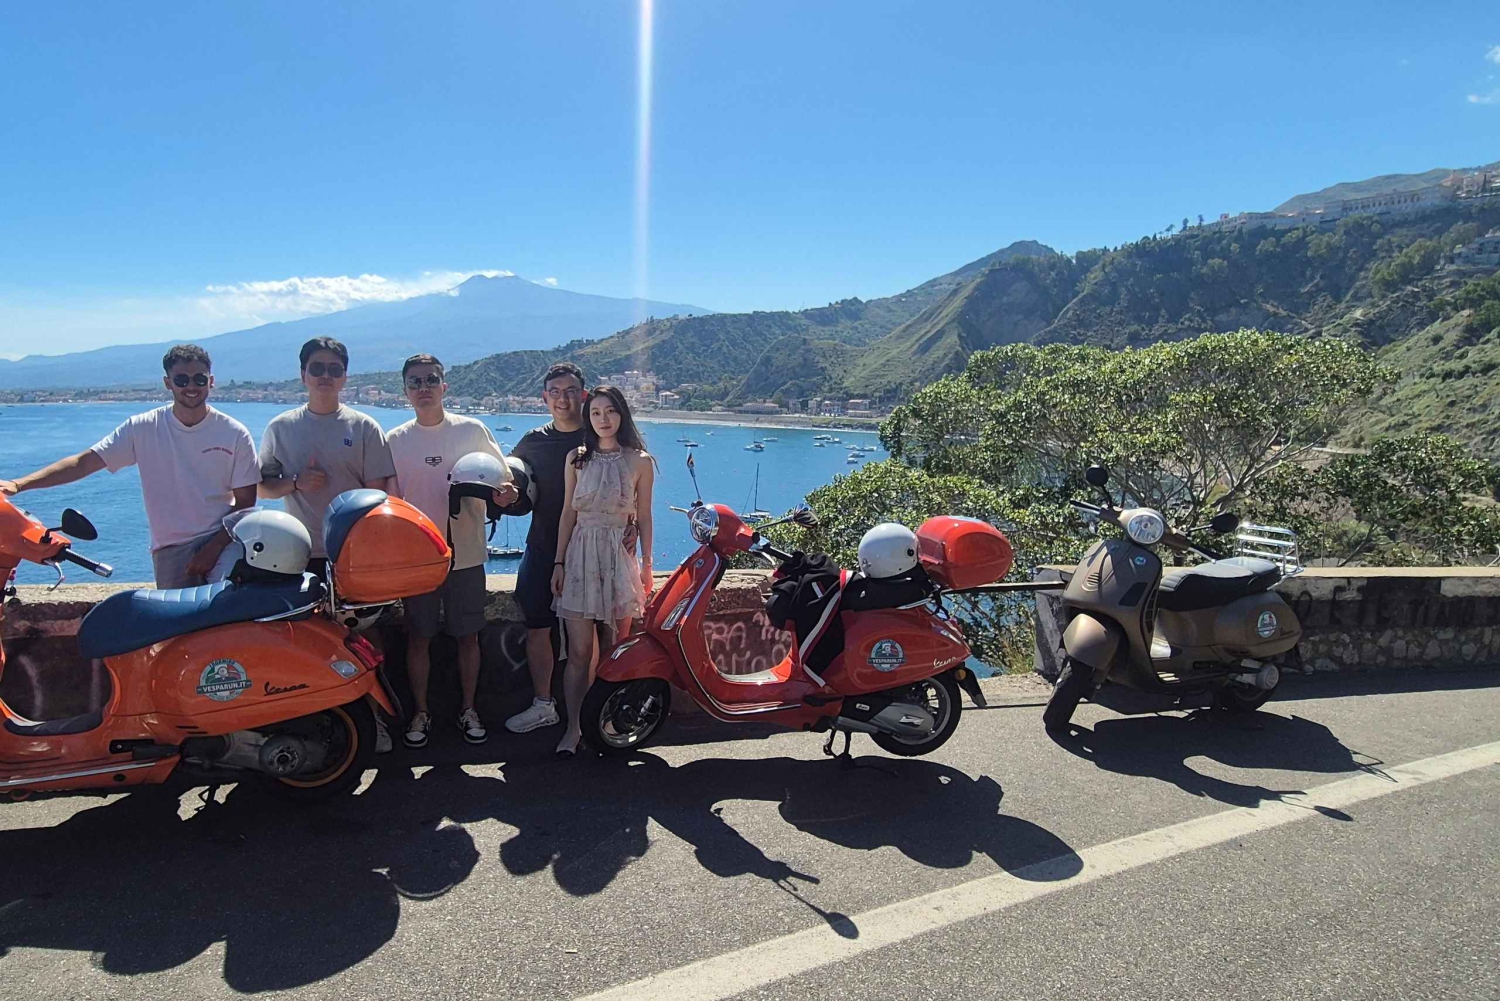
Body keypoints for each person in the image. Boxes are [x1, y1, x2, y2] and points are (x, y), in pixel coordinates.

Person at [0, 344, 258, 590]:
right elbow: (84, 462)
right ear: (168, 383)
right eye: (181, 380)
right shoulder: (143, 427)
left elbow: (246, 502)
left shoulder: (233, 433)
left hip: (222, 540)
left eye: (199, 379)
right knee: (179, 632)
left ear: (211, 382)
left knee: (226, 613)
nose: (191, 387)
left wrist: (213, 549)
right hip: (170, 548)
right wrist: (20, 484)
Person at [386, 354, 518, 748]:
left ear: (445, 386)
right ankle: (421, 713)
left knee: (468, 637)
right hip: (418, 558)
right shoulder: (395, 441)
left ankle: (468, 709)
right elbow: (387, 503)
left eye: (430, 380)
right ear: (406, 390)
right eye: (415, 382)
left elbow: (505, 486)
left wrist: (508, 495)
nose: (423, 388)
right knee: (419, 637)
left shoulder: (473, 430)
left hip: (468, 554)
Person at [551, 385, 655, 757]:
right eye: (596, 413)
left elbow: (643, 518)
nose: (603, 419)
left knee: (614, 651)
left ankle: (607, 725)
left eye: (610, 411)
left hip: (617, 558)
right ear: (588, 418)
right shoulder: (576, 459)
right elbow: (568, 513)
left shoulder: (640, 461)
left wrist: (646, 568)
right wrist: (559, 562)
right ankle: (574, 727)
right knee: (579, 653)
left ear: (622, 414)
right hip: (580, 554)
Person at [257, 336, 396, 577]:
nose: (325, 376)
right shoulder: (280, 428)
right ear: (303, 375)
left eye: (334, 369)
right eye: (317, 368)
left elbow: (377, 497)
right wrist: (296, 483)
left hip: (352, 550)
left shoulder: (365, 428)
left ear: (344, 377)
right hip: (296, 550)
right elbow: (261, 489)